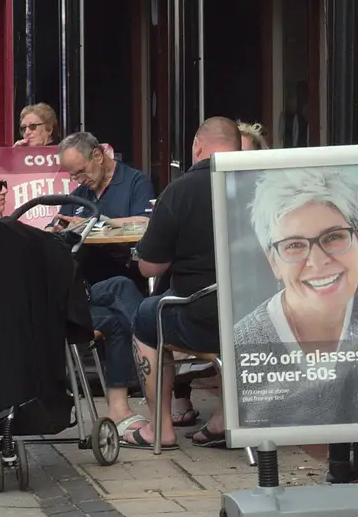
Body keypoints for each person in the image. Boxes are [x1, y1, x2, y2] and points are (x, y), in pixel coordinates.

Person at [127, 117, 241, 451]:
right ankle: (224, 418)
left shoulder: (179, 191)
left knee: (146, 318)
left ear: (197, 146)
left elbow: (150, 267)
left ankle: (160, 428)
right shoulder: (259, 182)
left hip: (201, 319)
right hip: (259, 317)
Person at [232, 169, 358, 428]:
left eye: (333, 237)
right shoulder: (243, 342)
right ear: (274, 263)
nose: (317, 261)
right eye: (294, 245)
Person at [56, 131, 155, 442]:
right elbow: (59, 231)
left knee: (121, 291)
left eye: (81, 171)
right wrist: (61, 228)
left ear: (98, 155)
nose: (78, 179)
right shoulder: (79, 196)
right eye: (72, 174)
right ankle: (156, 348)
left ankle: (125, 402)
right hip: (88, 286)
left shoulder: (136, 182)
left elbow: (145, 224)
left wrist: (98, 226)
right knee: (118, 293)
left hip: (125, 272)